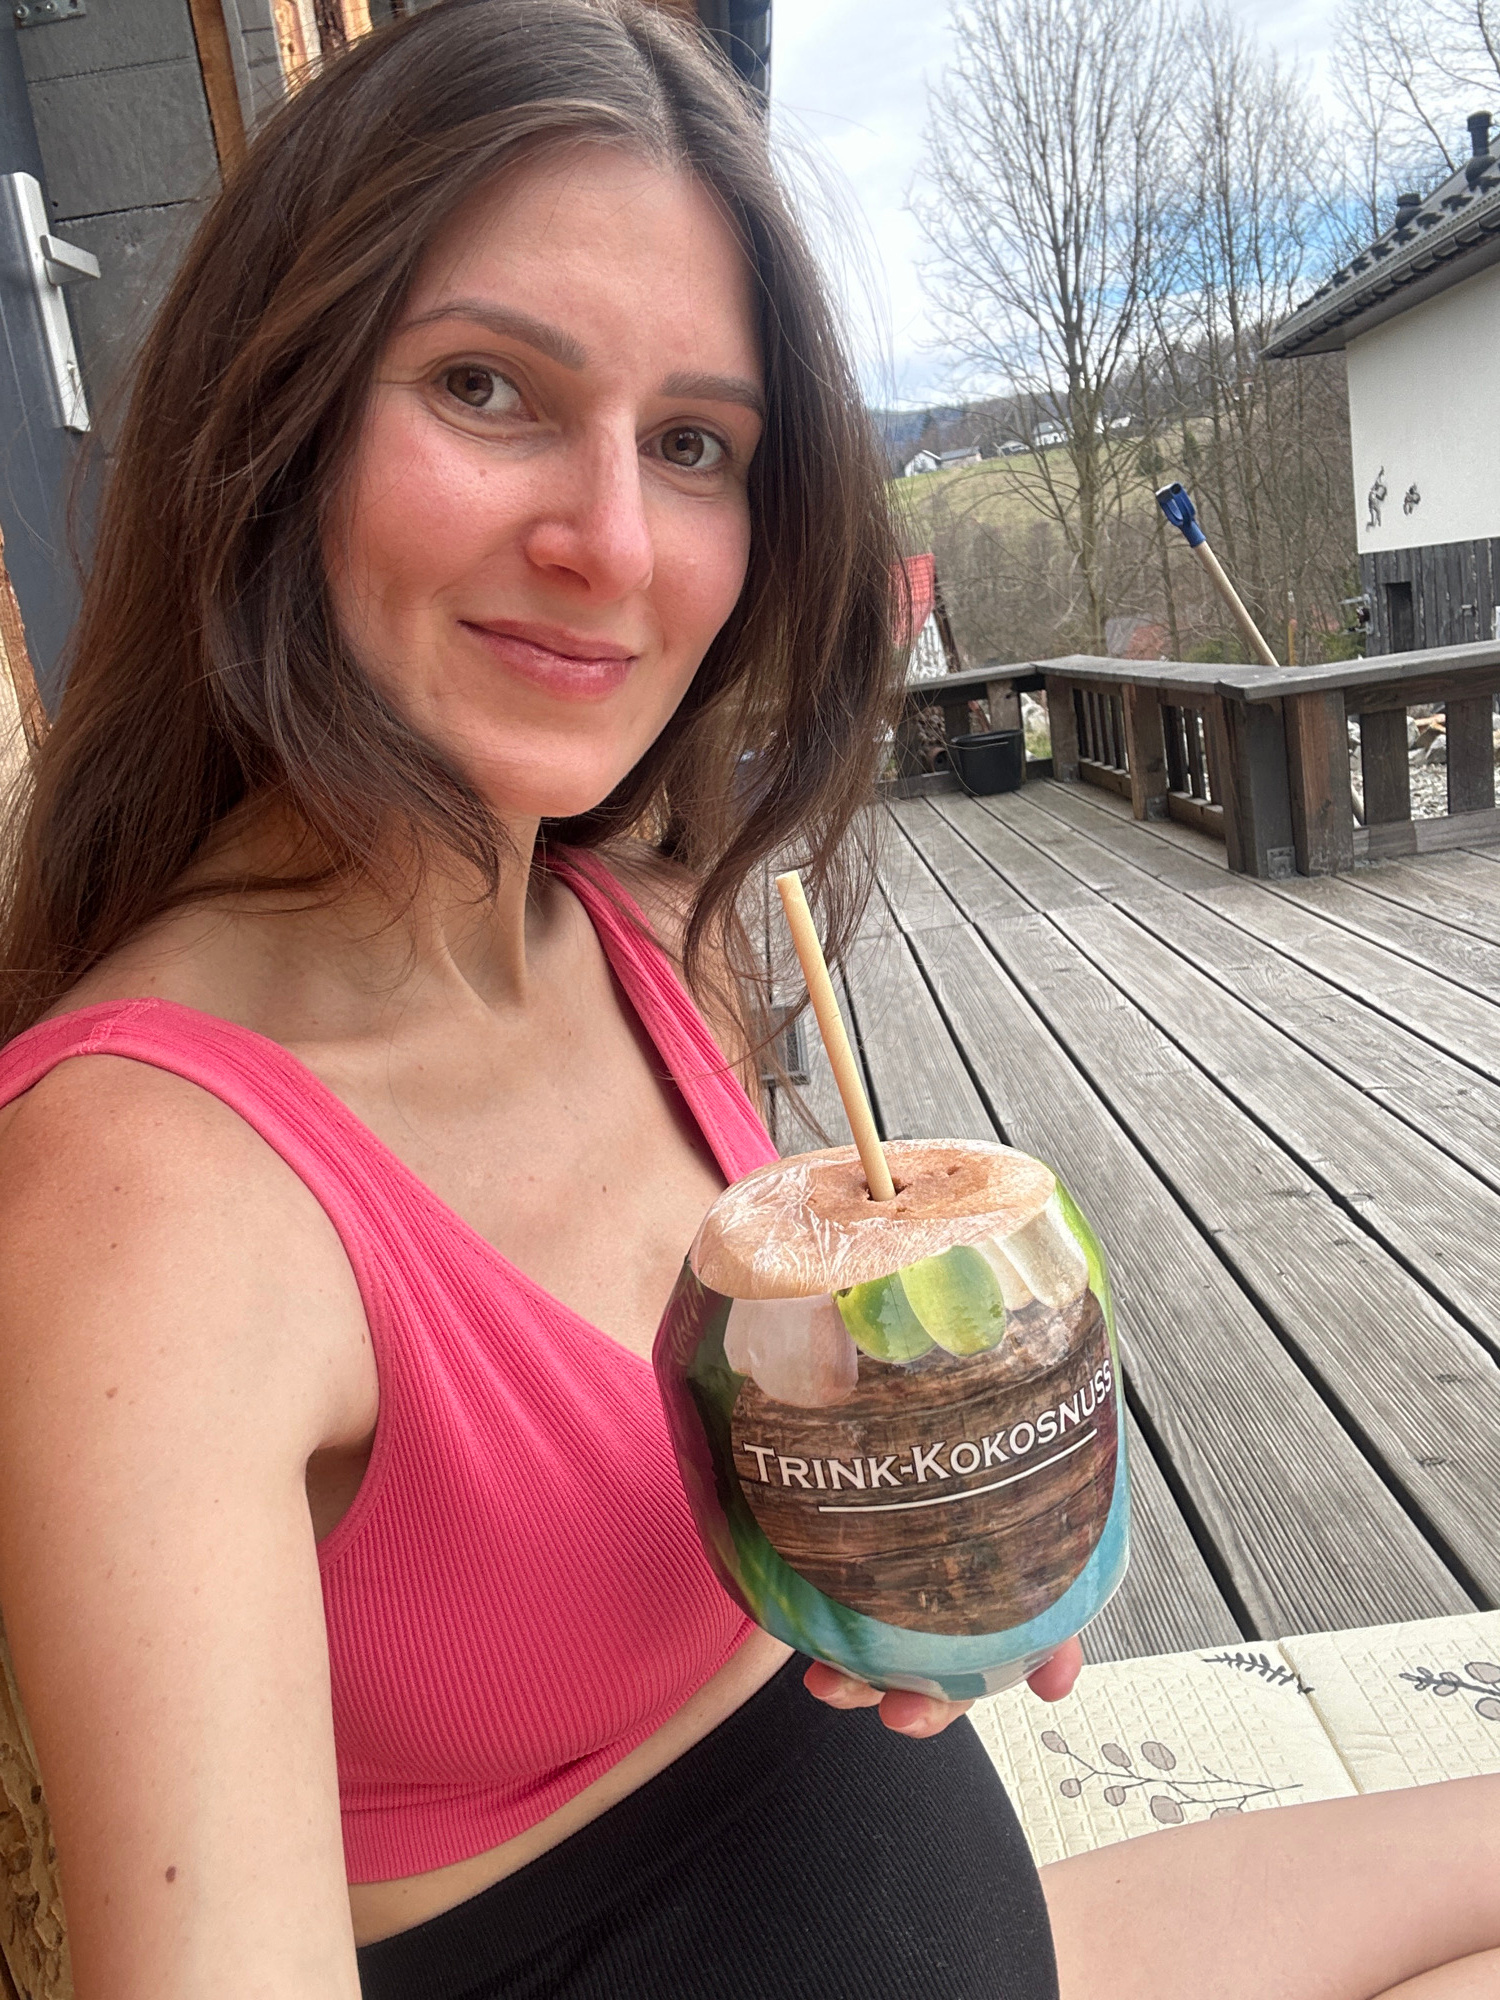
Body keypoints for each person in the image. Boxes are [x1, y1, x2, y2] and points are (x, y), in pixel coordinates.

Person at [0, 4, 1493, 1997]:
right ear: (273, 421)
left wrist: (926, 1530)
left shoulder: (654, 936)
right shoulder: (143, 1204)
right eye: (486, 387)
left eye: (694, 443)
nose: (613, 543)